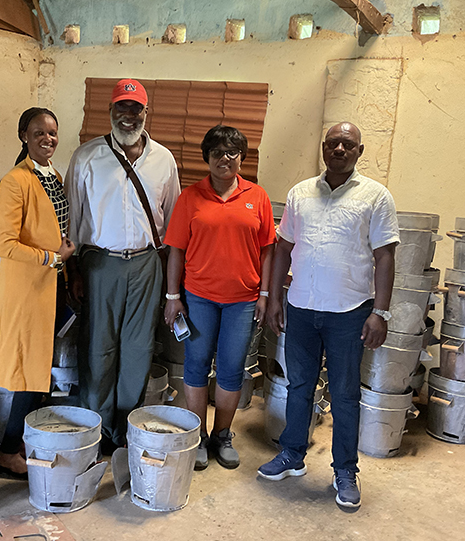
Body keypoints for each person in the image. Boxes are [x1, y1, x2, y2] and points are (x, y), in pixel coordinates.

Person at [257, 122, 398, 510]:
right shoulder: (301, 193)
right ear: (323, 147)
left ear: (359, 150)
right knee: (299, 386)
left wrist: (380, 312)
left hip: (350, 313)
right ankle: (292, 455)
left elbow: (385, 256)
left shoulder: (375, 196)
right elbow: (283, 248)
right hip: (301, 307)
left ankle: (345, 471)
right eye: (333, 143)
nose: (339, 148)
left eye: (347, 144)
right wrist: (273, 299)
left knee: (345, 393)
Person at [65, 79, 181, 451]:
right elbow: (72, 219)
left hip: (147, 264)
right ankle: (95, 430)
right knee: (98, 347)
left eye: (136, 109)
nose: (128, 116)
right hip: (101, 264)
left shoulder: (164, 159)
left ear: (147, 113)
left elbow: (173, 218)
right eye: (122, 108)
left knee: (137, 349)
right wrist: (74, 271)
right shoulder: (86, 157)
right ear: (110, 111)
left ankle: (123, 429)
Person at [164, 125, 275, 470]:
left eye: (231, 152)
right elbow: (176, 251)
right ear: (207, 158)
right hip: (198, 298)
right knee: (195, 366)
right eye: (216, 153)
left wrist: (265, 294)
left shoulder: (258, 197)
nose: (224, 159)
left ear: (241, 157)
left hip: (242, 300)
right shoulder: (190, 198)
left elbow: (268, 249)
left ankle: (222, 435)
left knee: (230, 370)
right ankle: (197, 436)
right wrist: (172, 296)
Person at [0, 107, 75, 479]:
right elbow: (4, 244)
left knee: (40, 369)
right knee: (28, 373)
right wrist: (52, 257)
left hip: (52, 285)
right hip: (28, 290)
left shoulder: (53, 175)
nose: (47, 139)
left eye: (52, 133)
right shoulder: (16, 180)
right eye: (39, 132)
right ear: (24, 135)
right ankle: (6, 453)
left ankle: (22, 442)